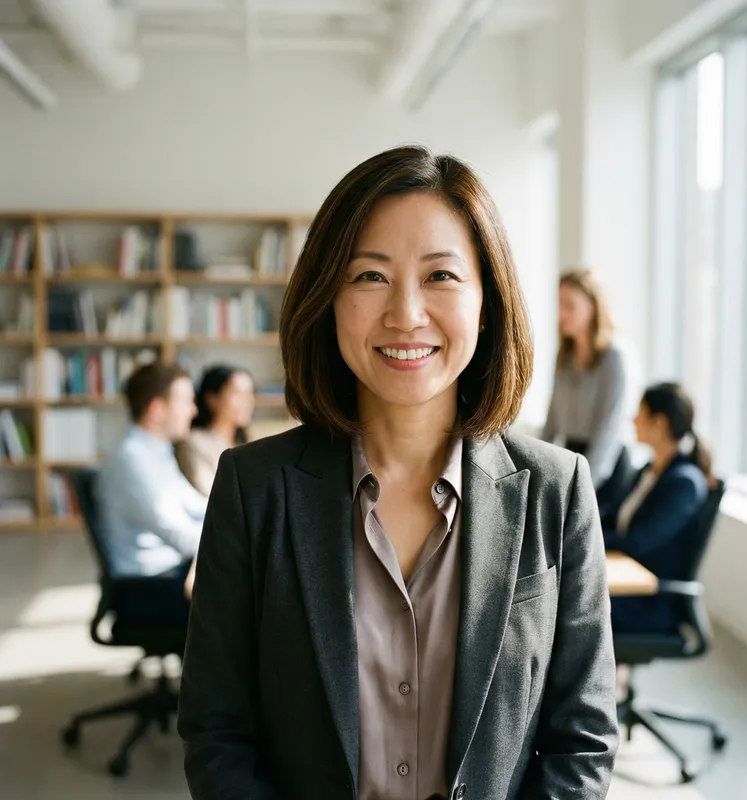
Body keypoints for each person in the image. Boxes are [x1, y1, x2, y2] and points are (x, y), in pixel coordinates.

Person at [178, 145, 619, 800]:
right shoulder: (253, 487)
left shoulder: (557, 489)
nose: (406, 314)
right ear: (327, 297)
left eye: (440, 276)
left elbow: (581, 738)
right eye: (369, 277)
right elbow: (217, 731)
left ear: (486, 301)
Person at [96, 363, 205, 622]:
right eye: (186, 401)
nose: (194, 410)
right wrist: (232, 536)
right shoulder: (132, 460)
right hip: (146, 589)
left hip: (168, 574)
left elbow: (199, 507)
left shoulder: (157, 451)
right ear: (157, 409)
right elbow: (178, 534)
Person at [603, 383, 713, 633]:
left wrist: (589, 539)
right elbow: (614, 517)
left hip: (649, 599)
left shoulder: (684, 482)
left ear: (660, 423)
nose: (633, 420)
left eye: (640, 413)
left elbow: (637, 542)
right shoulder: (648, 470)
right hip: (627, 579)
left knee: (568, 601)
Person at [541, 268, 635, 515]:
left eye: (570, 305)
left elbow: (609, 431)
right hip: (573, 459)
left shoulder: (614, 358)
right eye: (559, 304)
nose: (562, 314)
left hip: (605, 467)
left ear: (592, 307)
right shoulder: (565, 356)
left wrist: (584, 487)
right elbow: (552, 423)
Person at [175, 364, 256, 496]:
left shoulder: (249, 443)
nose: (247, 401)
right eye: (237, 394)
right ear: (212, 399)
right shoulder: (193, 443)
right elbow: (209, 495)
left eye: (250, 393)